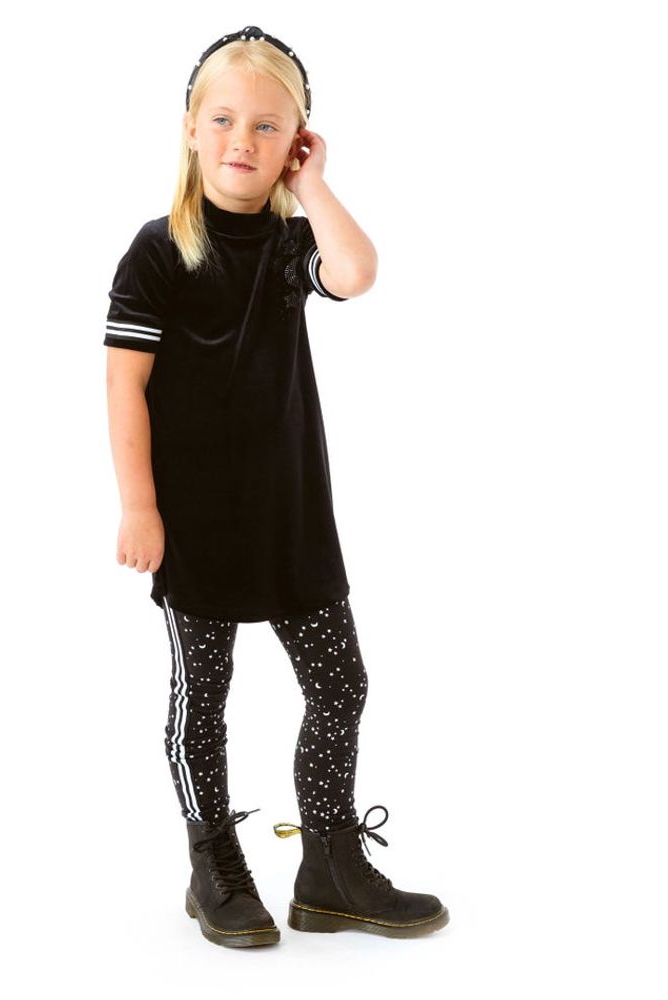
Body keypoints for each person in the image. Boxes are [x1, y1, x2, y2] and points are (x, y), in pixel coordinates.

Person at [103, 26, 449, 947]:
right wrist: (140, 505)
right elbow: (124, 383)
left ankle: (330, 868)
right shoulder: (157, 250)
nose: (241, 141)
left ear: (296, 140)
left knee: (342, 685)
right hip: (197, 521)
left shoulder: (294, 245)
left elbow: (357, 272)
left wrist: (315, 185)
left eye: (267, 126)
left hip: (291, 514)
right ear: (190, 128)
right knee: (203, 699)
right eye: (222, 120)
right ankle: (213, 862)